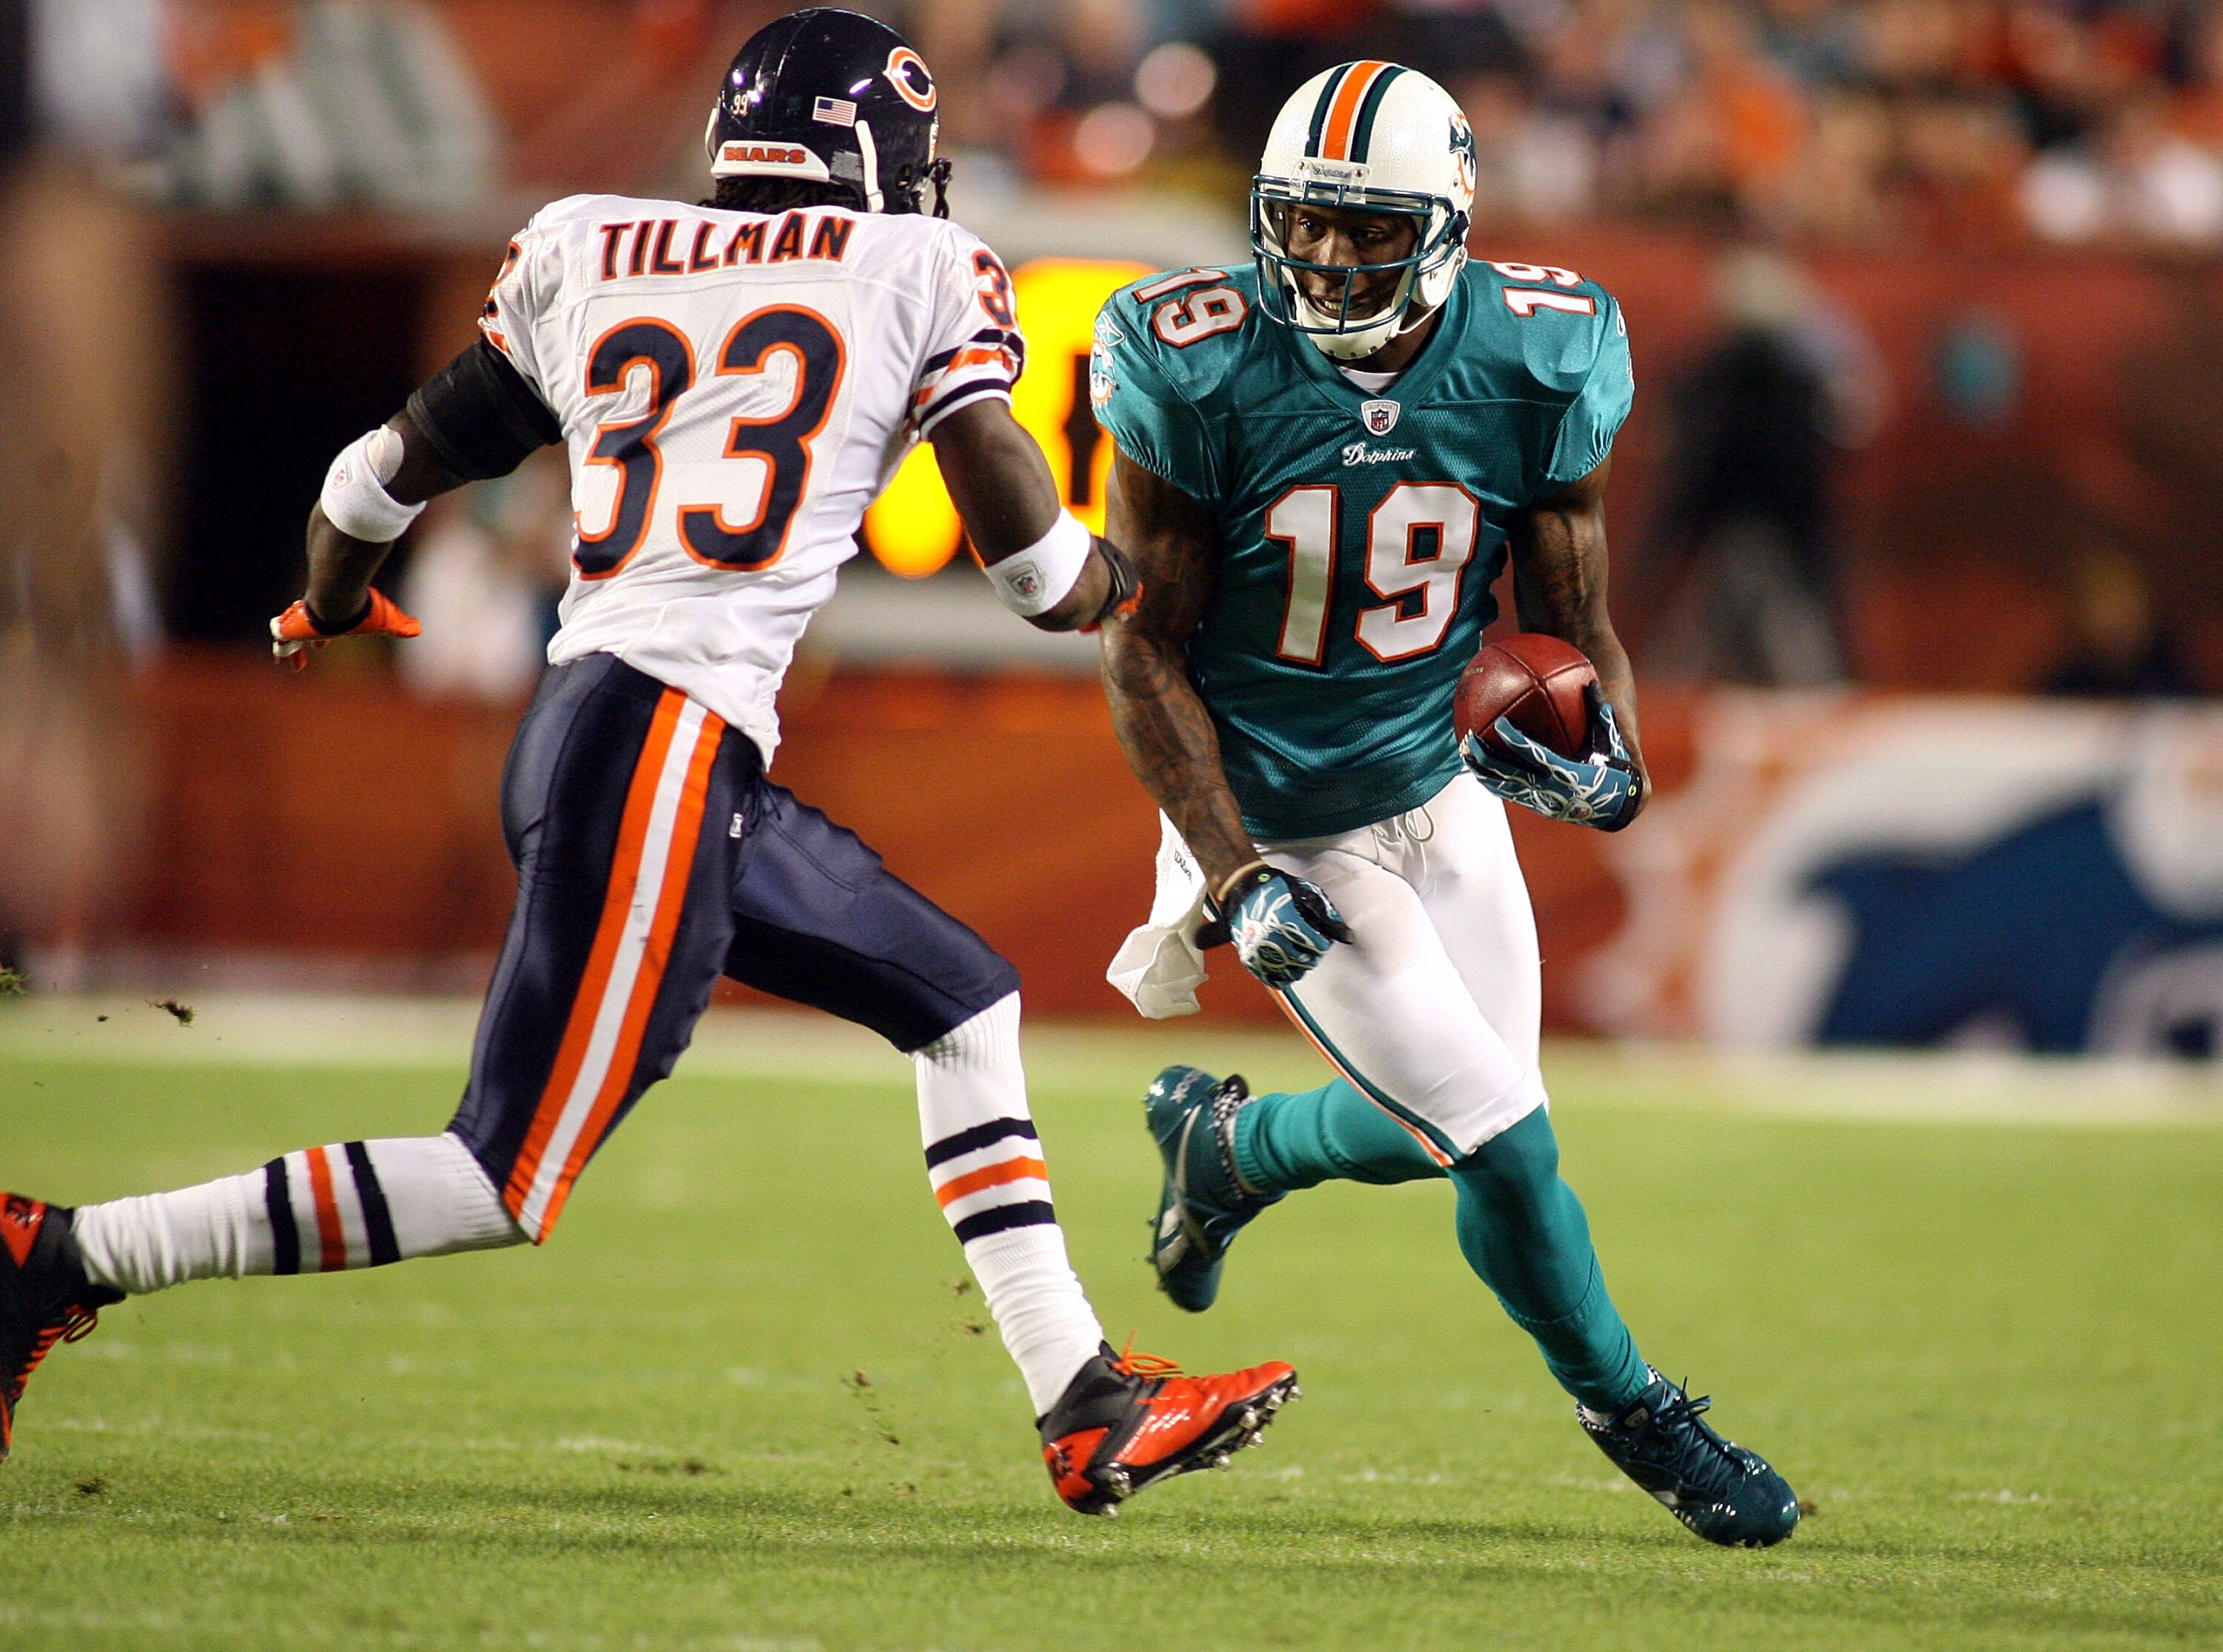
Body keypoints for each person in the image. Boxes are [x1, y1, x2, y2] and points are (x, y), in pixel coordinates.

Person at [0, 8, 1297, 1519]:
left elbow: (372, 478)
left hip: (641, 733)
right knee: (503, 1176)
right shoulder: (921, 263)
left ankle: (1084, 1397)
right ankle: (57, 1254)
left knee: (965, 1000)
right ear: (878, 156)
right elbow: (1018, 537)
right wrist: (1110, 591)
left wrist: (332, 604)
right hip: (661, 742)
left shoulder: (588, 245)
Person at [1090, 59, 1798, 1546]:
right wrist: (1231, 873)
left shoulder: (1538, 352)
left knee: (1441, 1129)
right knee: (1503, 1134)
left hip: (1438, 777)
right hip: (1282, 810)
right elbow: (1143, 640)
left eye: (1368, 230)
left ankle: (1226, 1152)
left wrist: (1609, 749)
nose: (1328, 260)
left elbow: (1570, 603)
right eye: (1307, 224)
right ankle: (1639, 1408)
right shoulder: (1193, 355)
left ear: (1452, 223)